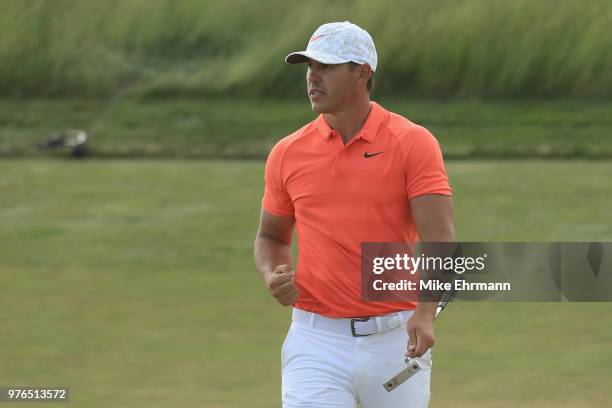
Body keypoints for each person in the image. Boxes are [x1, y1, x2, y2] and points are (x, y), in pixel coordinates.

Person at [254, 21, 454, 408]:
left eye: (326, 67)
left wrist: (427, 311)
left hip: (396, 342)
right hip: (314, 341)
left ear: (362, 72)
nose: (313, 77)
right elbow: (271, 237)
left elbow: (440, 239)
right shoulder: (287, 152)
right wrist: (271, 273)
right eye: (309, 67)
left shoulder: (413, 143)